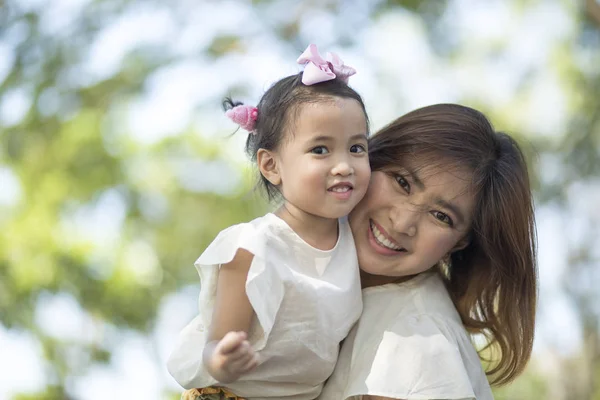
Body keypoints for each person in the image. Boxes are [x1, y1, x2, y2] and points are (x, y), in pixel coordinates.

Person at [167, 44, 372, 400]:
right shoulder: (252, 249)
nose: (344, 165)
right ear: (271, 166)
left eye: (356, 148)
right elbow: (215, 343)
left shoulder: (356, 237)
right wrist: (222, 360)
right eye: (320, 150)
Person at [318, 103, 537, 400]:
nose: (403, 222)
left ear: (459, 243)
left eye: (441, 216)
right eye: (402, 182)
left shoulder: (415, 343)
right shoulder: (316, 275)